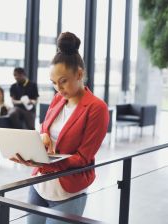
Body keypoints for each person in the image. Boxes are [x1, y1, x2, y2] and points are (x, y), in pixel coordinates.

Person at [10, 32, 109, 224]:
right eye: (54, 83)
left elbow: (83, 158)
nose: (58, 88)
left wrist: (45, 161)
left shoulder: (97, 108)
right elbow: (45, 127)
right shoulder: (58, 99)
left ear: (79, 74)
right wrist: (44, 136)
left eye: (63, 81)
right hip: (40, 185)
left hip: (68, 190)